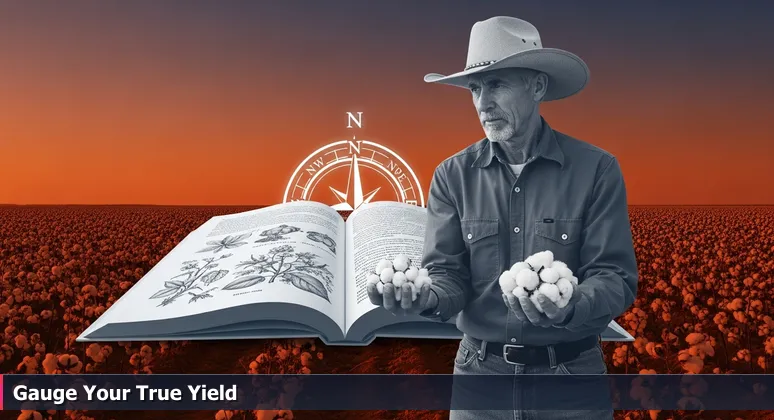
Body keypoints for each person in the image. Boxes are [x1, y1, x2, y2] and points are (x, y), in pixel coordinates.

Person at [367, 15, 638, 420]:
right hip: (479, 378)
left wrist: (568, 304)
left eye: (496, 84)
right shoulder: (452, 175)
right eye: (475, 88)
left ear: (537, 86)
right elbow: (448, 275)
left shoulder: (596, 169)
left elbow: (615, 279)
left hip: (569, 382)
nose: (481, 102)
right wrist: (425, 296)